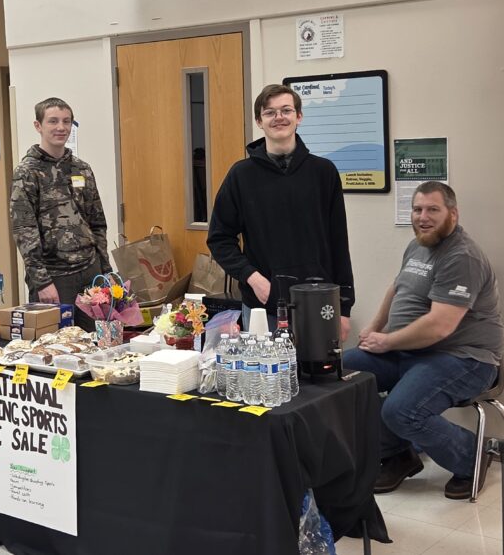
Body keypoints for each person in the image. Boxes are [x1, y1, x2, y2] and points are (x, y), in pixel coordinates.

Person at [344, 182, 503, 500]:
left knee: (400, 410)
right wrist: (374, 329)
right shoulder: (418, 245)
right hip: (410, 351)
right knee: (338, 373)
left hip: (464, 358)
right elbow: (396, 287)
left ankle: (473, 456)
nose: (423, 217)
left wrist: (386, 342)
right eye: (417, 209)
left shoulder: (462, 256)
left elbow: (440, 327)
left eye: (433, 209)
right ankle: (398, 454)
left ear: (453, 214)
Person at [207, 84, 354, 338]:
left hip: (319, 303)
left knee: (318, 377)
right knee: (264, 378)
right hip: (263, 307)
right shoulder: (241, 176)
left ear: (299, 117)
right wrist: (252, 277)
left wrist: (344, 307)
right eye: (269, 112)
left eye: (286, 110)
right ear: (259, 121)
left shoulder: (323, 172)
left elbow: (339, 243)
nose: (279, 117)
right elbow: (219, 239)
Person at [10, 97, 111, 305]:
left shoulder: (81, 168)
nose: (61, 127)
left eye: (66, 121)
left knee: (94, 337)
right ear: (38, 126)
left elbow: (97, 222)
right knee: (56, 338)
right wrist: (42, 282)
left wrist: (105, 270)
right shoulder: (27, 172)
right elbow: (24, 230)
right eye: (53, 121)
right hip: (54, 278)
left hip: (90, 271)